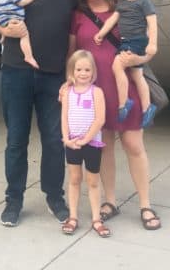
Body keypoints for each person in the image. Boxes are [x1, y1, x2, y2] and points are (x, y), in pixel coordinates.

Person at [69, 0, 161, 231]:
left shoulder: (124, 5)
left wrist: (142, 57)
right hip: (95, 92)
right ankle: (110, 201)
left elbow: (147, 42)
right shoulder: (77, 15)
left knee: (133, 145)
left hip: (125, 88)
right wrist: (68, 83)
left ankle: (145, 204)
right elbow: (73, 53)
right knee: (104, 147)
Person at [0, 0, 76, 227]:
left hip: (54, 76)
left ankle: (54, 195)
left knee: (54, 140)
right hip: (17, 72)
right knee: (16, 140)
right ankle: (13, 199)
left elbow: (76, 33)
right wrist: (6, 30)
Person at [93, 0, 158, 128]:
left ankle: (124, 103)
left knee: (117, 66)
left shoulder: (144, 2)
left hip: (136, 41)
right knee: (137, 75)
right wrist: (101, 33)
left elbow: (152, 23)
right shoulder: (122, 3)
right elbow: (112, 20)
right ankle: (147, 107)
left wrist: (152, 43)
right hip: (126, 41)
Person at [60, 50, 107, 237]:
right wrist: (66, 138)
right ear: (72, 71)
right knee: (74, 179)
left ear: (93, 71)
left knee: (93, 181)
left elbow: (100, 119)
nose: (83, 73)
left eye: (87, 69)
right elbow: (64, 117)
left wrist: (86, 139)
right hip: (72, 143)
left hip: (92, 143)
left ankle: (96, 218)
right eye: (79, 69)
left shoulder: (96, 92)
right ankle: (73, 216)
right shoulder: (67, 92)